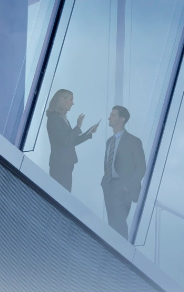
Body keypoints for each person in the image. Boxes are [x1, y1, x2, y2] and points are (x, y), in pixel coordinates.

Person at [100, 105, 146, 237]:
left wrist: (128, 186)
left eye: (113, 115)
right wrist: (105, 182)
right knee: (112, 223)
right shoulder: (109, 141)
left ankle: (121, 253)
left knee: (118, 223)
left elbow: (141, 167)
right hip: (109, 185)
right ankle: (113, 252)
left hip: (123, 187)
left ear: (122, 119)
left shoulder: (133, 141)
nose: (109, 118)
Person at [45, 89, 97, 191]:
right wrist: (77, 127)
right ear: (62, 100)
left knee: (64, 197)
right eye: (71, 99)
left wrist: (89, 133)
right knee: (60, 197)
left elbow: (71, 142)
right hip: (60, 166)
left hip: (66, 165)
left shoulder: (62, 118)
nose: (73, 103)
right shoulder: (54, 119)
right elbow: (65, 141)